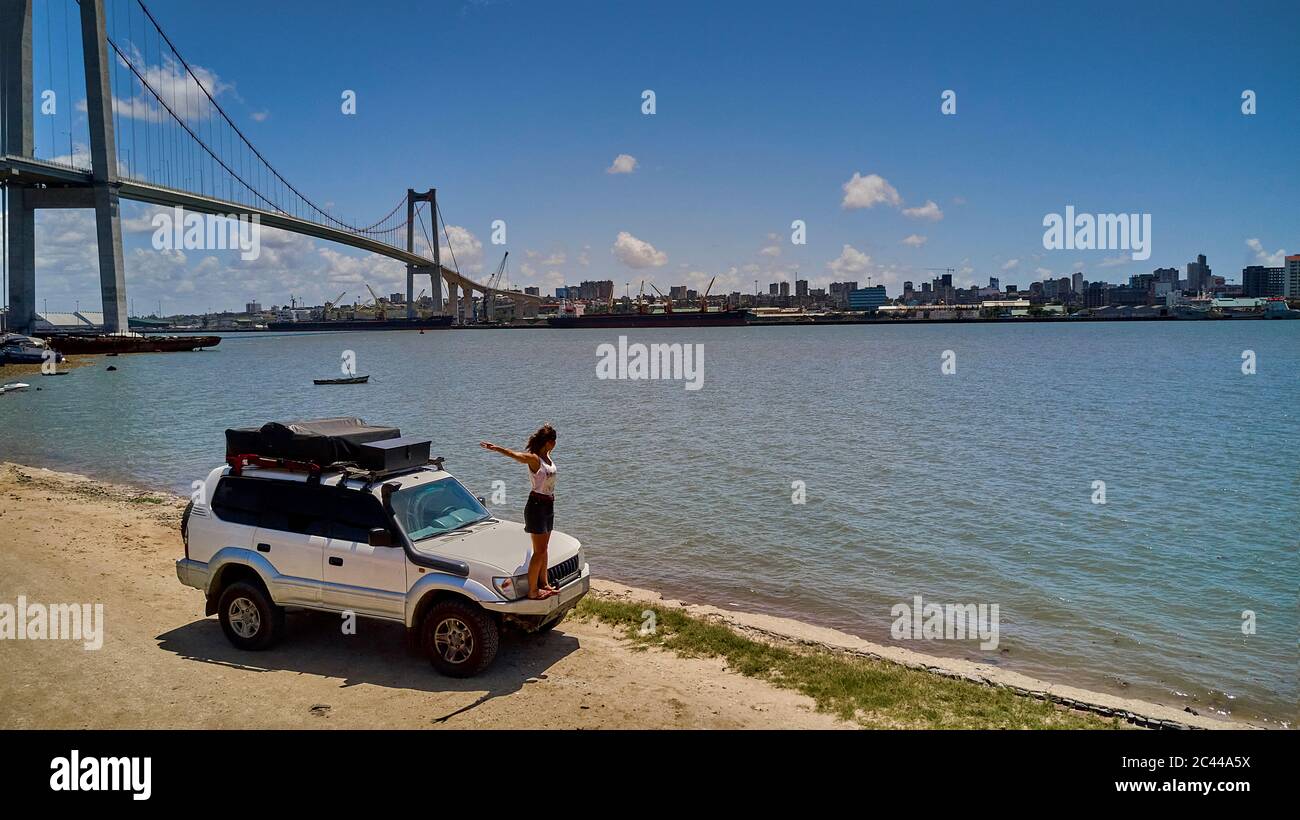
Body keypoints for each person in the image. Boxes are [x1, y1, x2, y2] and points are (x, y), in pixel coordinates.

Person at [479, 424, 559, 600]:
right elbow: (516, 456)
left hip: (548, 505)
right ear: (548, 442)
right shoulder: (534, 459)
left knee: (543, 549)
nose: (555, 444)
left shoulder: (547, 457)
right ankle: (532, 591)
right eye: (554, 440)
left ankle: (544, 584)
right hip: (536, 506)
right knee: (539, 551)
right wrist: (497, 448)